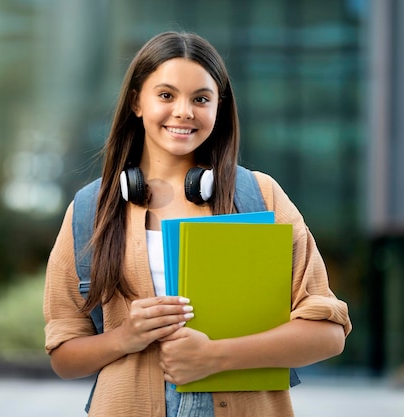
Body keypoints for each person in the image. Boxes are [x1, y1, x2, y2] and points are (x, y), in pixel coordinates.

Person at [43, 31, 352, 417]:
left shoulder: (259, 196)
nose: (184, 112)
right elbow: (64, 356)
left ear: (219, 107)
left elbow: (328, 334)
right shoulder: (93, 209)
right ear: (137, 101)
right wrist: (126, 337)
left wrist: (214, 356)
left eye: (201, 99)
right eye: (166, 95)